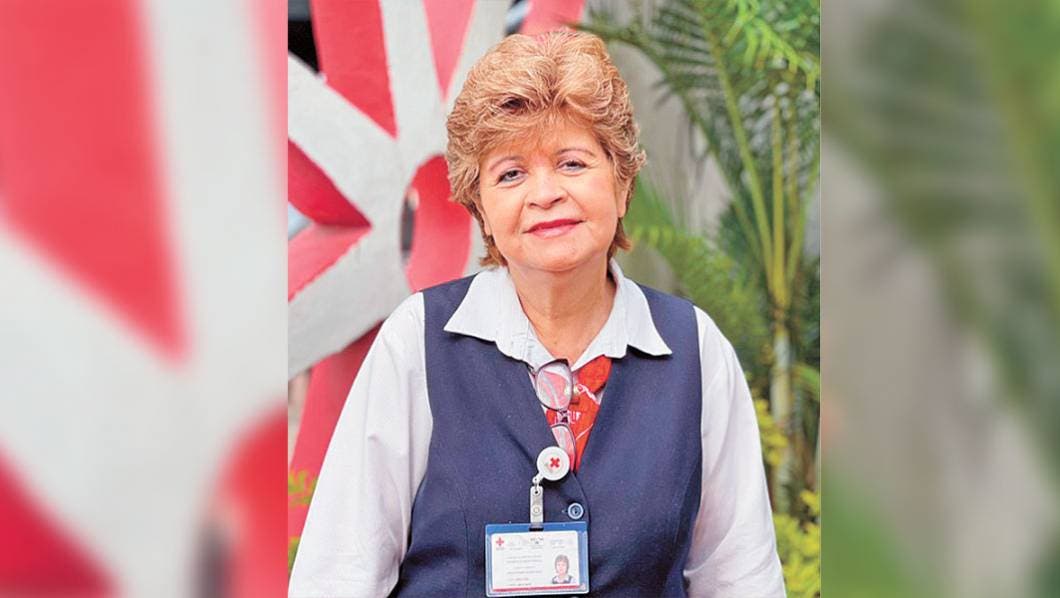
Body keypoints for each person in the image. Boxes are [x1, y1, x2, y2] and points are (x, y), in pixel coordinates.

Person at [289, 30, 785, 598]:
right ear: (481, 209)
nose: (544, 193)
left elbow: (740, 579)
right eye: (511, 173)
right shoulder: (417, 341)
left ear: (622, 183)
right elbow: (340, 576)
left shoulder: (694, 348)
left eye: (572, 163)